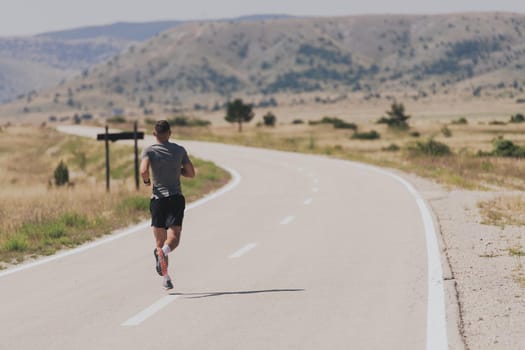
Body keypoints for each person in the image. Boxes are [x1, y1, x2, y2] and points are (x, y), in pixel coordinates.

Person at [140, 120, 195, 290]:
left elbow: (143, 170)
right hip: (175, 199)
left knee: (160, 242)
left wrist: (147, 181)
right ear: (170, 133)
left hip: (157, 200)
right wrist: (177, 170)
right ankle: (163, 254)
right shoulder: (179, 150)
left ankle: (166, 278)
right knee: (174, 239)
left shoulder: (149, 151)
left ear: (154, 134)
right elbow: (191, 173)